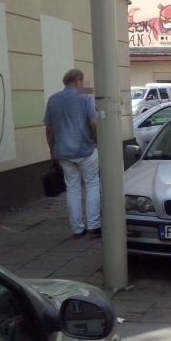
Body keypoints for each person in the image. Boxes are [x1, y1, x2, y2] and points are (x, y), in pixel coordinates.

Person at [43, 69, 101, 238]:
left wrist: (52, 151)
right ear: (78, 81)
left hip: (63, 152)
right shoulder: (85, 98)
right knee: (92, 185)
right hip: (85, 150)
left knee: (72, 188)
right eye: (83, 82)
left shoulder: (53, 99)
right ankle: (94, 225)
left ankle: (77, 228)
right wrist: (97, 141)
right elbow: (94, 123)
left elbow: (49, 129)